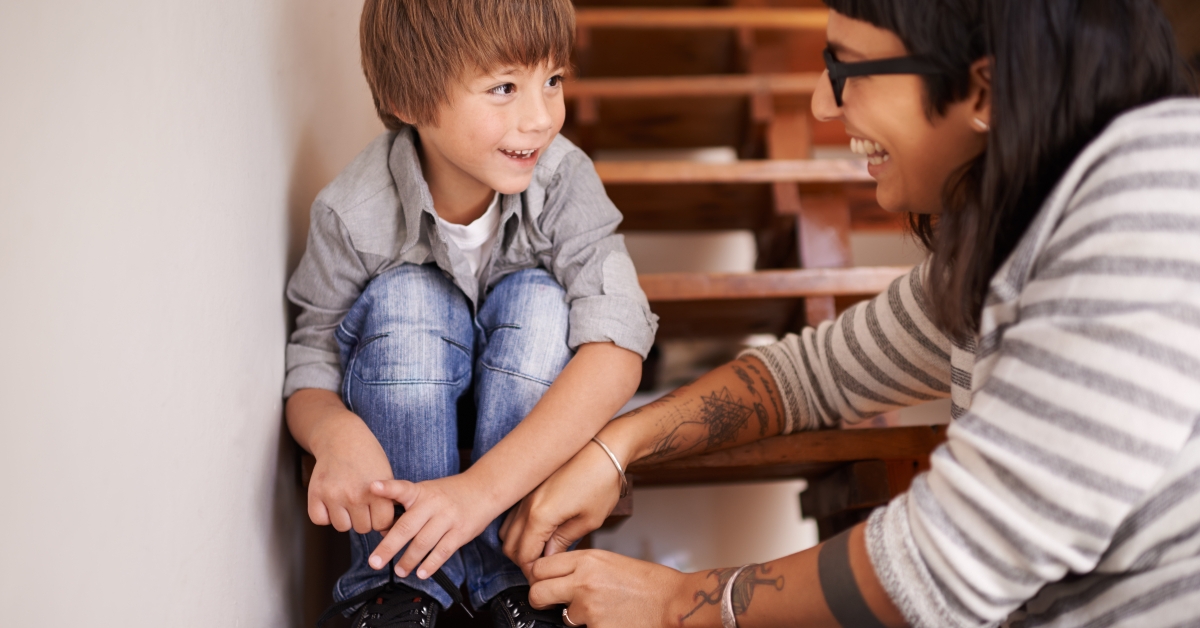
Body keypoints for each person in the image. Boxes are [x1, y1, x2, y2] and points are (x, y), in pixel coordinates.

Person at [500, 0, 1200, 626]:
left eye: (849, 68)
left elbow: (945, 565)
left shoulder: (1155, 188)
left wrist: (677, 603)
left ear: (983, 88)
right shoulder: (1005, 246)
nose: (821, 104)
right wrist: (617, 445)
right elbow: (808, 375)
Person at [283, 0, 656, 625]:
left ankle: (514, 586)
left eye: (553, 80)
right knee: (409, 296)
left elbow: (618, 344)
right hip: (409, 401)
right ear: (410, 100)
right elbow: (312, 355)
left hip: (514, 470)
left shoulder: (564, 180)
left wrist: (479, 493)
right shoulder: (352, 212)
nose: (541, 118)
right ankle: (399, 587)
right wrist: (332, 433)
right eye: (504, 87)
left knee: (541, 301)